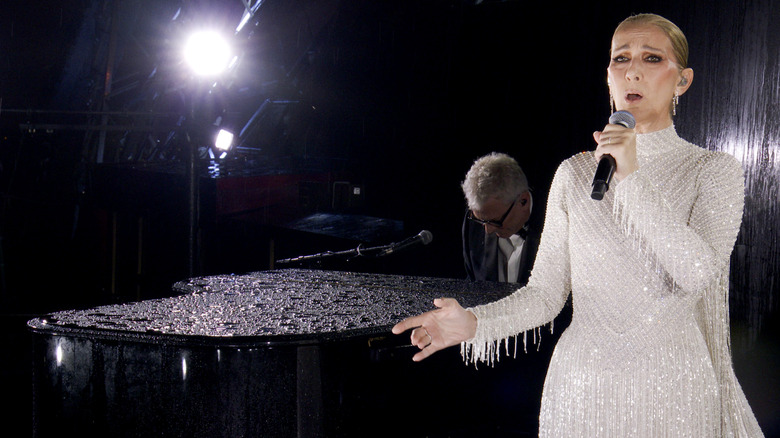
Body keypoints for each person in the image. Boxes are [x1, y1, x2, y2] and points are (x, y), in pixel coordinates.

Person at [392, 13, 764, 437]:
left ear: (682, 80)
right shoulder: (573, 173)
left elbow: (696, 272)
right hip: (580, 389)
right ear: (608, 76)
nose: (633, 70)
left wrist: (632, 177)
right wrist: (474, 323)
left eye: (652, 57)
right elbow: (546, 295)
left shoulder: (712, 170)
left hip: (673, 390)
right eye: (620, 58)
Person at [461, 152, 539, 285]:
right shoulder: (474, 224)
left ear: (523, 201)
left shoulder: (558, 225)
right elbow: (474, 286)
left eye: (495, 221)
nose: (487, 230)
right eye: (481, 220)